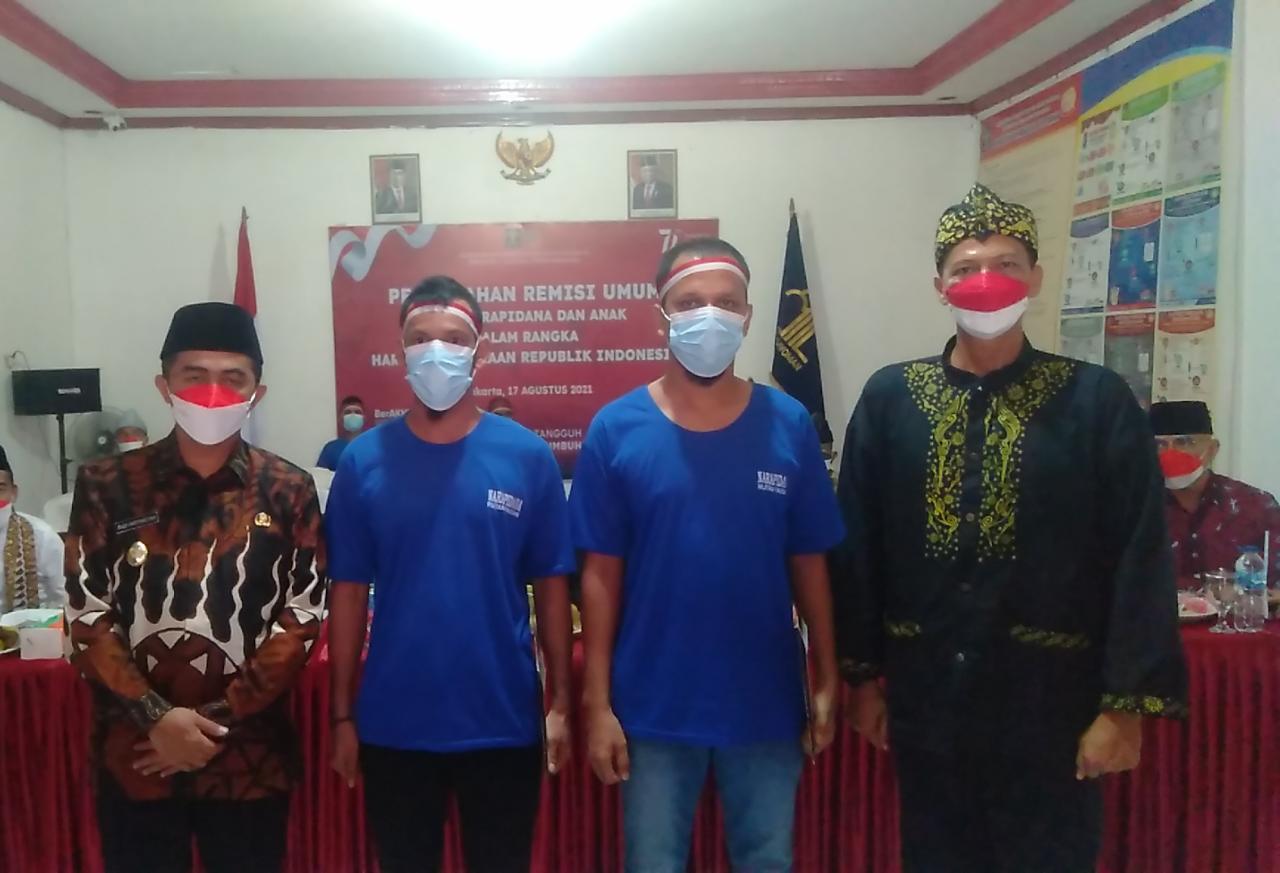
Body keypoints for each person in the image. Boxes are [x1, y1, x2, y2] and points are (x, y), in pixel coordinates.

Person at [832, 184, 1188, 873]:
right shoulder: (891, 399)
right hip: (930, 699)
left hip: (1052, 705)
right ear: (940, 286)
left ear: (1037, 278)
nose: (985, 280)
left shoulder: (1097, 401)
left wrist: (1124, 707)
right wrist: (863, 678)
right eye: (965, 268)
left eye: (1006, 264)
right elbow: (859, 547)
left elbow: (1139, 555)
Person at [571, 238, 843, 873]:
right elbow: (600, 577)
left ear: (747, 316)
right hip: (652, 708)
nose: (709, 316)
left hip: (765, 702)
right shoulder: (615, 429)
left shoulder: (789, 423)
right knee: (653, 862)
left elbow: (810, 562)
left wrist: (827, 677)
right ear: (660, 316)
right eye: (690, 302)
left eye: (725, 302)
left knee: (766, 859)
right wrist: (597, 703)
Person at [64, 302, 327, 873]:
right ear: (164, 386)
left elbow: (303, 617)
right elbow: (86, 613)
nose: (213, 392)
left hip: (247, 758)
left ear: (257, 392)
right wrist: (157, 717)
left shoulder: (288, 489)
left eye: (233, 377)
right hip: (137, 754)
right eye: (194, 375)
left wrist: (212, 720)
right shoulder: (107, 484)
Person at [325, 276, 575, 873]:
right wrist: (341, 715)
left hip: (502, 721)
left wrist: (562, 703)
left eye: (454, 338)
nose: (437, 351)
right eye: (421, 338)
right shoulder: (362, 462)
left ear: (478, 351)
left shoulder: (527, 457)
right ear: (402, 351)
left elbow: (552, 585)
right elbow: (348, 595)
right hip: (395, 723)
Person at [1150, 400, 1280, 585]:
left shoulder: (1256, 507)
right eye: (1159, 444)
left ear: (1212, 449)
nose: (1170, 453)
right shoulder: (1135, 510)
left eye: (1184, 442)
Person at [0, 445, 65, 614]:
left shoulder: (42, 536)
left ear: (14, 493)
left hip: (31, 627)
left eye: (0, 489)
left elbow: (66, 598)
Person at [317, 395, 366, 471]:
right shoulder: (330, 449)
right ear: (340, 418)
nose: (353, 415)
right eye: (348, 412)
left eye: (357, 412)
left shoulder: (374, 446)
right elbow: (321, 475)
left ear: (364, 418)